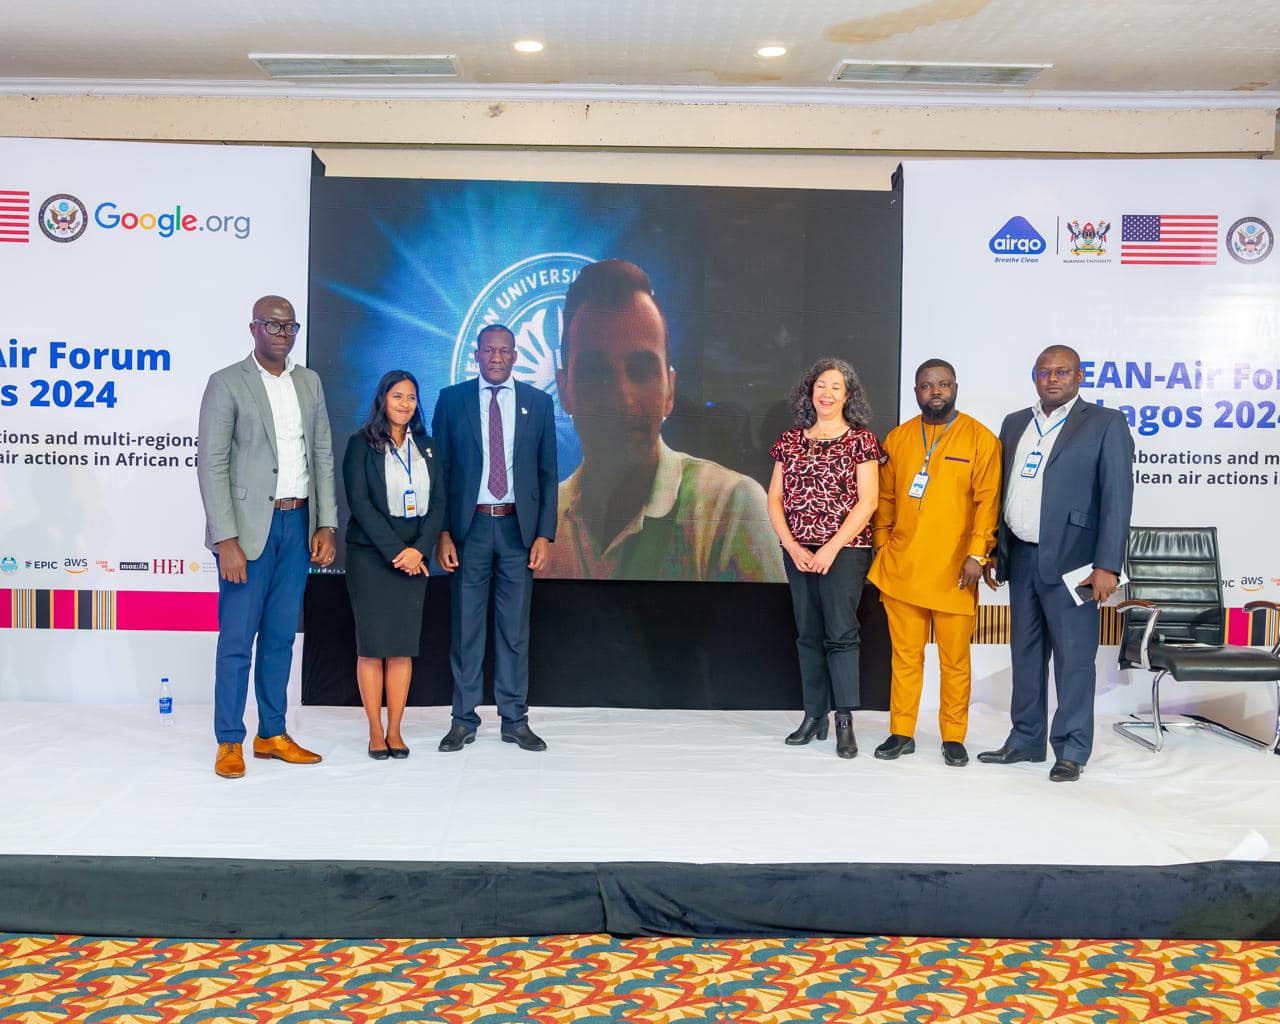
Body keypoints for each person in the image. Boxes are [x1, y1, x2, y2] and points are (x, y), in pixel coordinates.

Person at [543, 258, 784, 583]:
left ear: (670, 390)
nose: (623, 399)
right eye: (596, 373)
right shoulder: (542, 518)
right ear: (564, 390)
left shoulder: (733, 508)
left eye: (641, 371)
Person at [978, 344, 1134, 782]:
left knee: (1074, 660)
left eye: (1062, 372)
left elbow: (1117, 498)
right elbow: (1002, 491)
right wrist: (994, 550)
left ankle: (1071, 749)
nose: (1052, 379)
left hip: (1075, 563)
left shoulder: (1105, 423)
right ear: (1034, 376)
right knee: (1026, 656)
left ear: (1079, 376)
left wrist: (1107, 565)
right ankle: (1025, 740)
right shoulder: (1014, 423)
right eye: (1044, 372)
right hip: (1022, 557)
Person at [197, 295, 337, 779]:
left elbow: (322, 454)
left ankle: (272, 734)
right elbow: (212, 464)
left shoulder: (309, 382)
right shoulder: (227, 382)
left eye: (289, 326)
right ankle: (229, 740)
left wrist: (326, 523)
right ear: (254, 328)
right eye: (273, 325)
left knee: (280, 637)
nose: (282, 334)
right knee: (237, 639)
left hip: (297, 526)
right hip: (247, 533)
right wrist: (225, 538)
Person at [867, 359, 1001, 767]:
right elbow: (885, 498)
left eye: (943, 384)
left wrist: (977, 555)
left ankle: (953, 736)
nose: (936, 391)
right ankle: (901, 731)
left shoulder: (980, 438)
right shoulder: (899, 438)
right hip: (903, 567)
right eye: (927, 385)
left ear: (955, 387)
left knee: (954, 661)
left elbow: (987, 503)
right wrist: (882, 544)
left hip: (955, 571)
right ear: (916, 392)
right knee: (905, 657)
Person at [431, 324, 558, 752]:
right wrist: (442, 532)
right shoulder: (453, 400)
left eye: (504, 351)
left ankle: (515, 720)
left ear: (515, 355)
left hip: (517, 530)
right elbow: (440, 473)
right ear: (477, 354)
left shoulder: (538, 403)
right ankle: (463, 719)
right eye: (489, 351)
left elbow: (547, 473)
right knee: (466, 628)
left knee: (514, 631)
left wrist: (544, 534)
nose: (497, 358)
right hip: (469, 530)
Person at [767, 358, 884, 759]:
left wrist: (831, 547)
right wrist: (793, 547)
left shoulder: (862, 441)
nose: (827, 393)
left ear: (848, 395)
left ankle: (844, 722)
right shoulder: (789, 440)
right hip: (798, 550)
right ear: (810, 392)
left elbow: (869, 501)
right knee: (808, 633)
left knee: (841, 633)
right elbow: (775, 499)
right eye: (821, 385)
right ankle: (814, 716)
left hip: (846, 551)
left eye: (836, 387)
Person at [342, 370, 445, 760]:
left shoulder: (428, 447)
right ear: (382, 399)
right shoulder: (360, 444)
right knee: (372, 648)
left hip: (415, 557)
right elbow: (359, 503)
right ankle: (374, 731)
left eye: (411, 397)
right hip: (371, 556)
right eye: (397, 396)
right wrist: (396, 552)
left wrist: (419, 550)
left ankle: (396, 731)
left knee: (402, 648)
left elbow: (440, 503)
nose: (405, 404)